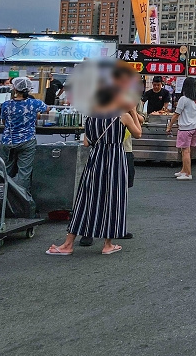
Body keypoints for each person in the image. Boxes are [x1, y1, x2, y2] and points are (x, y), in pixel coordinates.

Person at [47, 69, 142, 256]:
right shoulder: (122, 116)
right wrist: (131, 109)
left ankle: (68, 244)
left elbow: (86, 142)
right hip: (116, 159)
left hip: (95, 159)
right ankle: (108, 244)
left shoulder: (91, 116)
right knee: (113, 200)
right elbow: (138, 133)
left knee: (86, 199)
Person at [0, 78, 47, 196]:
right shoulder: (35, 103)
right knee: (24, 173)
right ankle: (21, 201)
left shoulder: (6, 104)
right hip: (27, 141)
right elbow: (47, 109)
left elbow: (4, 122)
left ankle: (4, 200)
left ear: (15, 88)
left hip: (8, 142)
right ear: (29, 89)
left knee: (4, 171)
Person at [165, 78, 196, 180]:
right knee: (186, 150)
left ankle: (188, 173)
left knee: (185, 151)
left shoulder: (183, 99)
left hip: (186, 128)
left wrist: (169, 126)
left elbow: (176, 114)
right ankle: (183, 170)